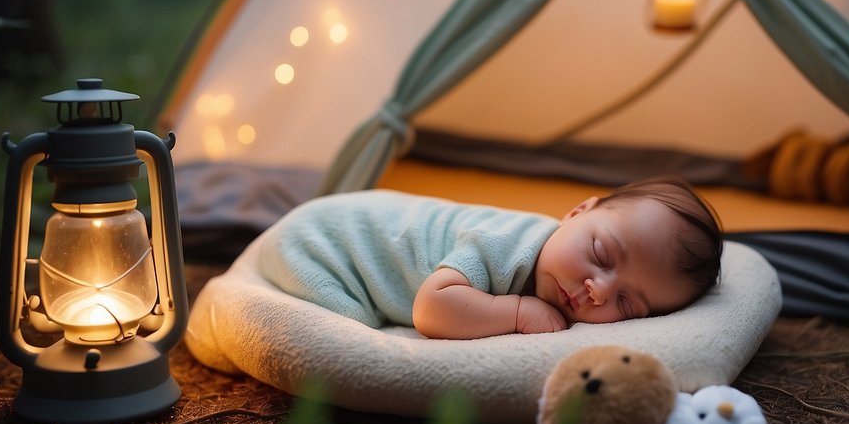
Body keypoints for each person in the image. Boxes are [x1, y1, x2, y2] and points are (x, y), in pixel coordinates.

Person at [257, 175, 722, 340]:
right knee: (348, 335)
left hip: (335, 227)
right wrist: (516, 312)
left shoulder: (556, 264)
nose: (597, 289)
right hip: (324, 245)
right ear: (577, 212)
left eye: (627, 304)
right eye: (600, 253)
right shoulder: (507, 244)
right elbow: (432, 306)